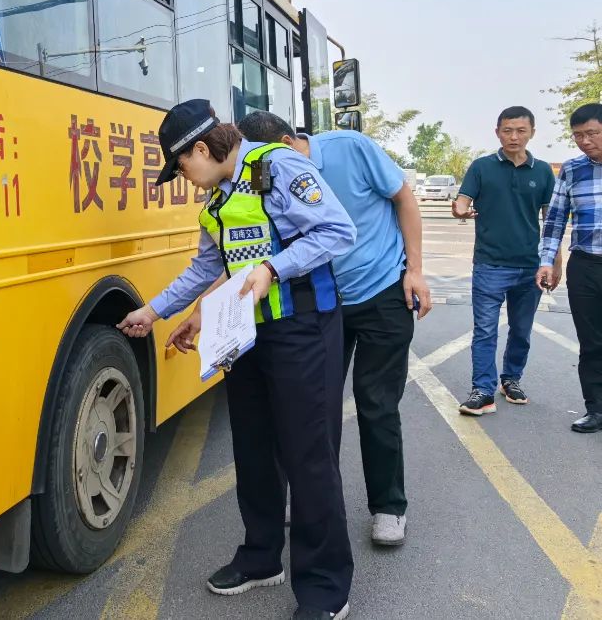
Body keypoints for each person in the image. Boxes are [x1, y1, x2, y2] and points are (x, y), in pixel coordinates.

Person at [117, 99, 356, 620]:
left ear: (201, 149)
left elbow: (338, 231)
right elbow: (207, 269)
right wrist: (154, 312)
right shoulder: (216, 203)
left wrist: (275, 266)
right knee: (252, 450)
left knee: (307, 456)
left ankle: (324, 589)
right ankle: (261, 556)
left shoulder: (280, 166)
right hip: (246, 336)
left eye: (182, 167)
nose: (185, 178)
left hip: (303, 329)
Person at [236, 112, 432, 548]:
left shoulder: (350, 148)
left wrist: (415, 270)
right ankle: (313, 502)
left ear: (289, 142)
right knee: (310, 407)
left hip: (383, 292)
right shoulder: (259, 174)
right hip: (324, 303)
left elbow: (404, 198)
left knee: (376, 401)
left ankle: (388, 506)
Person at [451, 106, 558, 416]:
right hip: (489, 265)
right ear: (497, 132)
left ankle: (511, 379)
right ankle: (482, 390)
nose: (514, 136)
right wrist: (459, 210)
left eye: (520, 130)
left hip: (530, 267)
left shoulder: (542, 172)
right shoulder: (481, 167)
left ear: (532, 133)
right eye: (507, 130)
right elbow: (462, 202)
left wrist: (554, 263)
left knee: (522, 330)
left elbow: (550, 222)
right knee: (484, 330)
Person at [537, 103, 602, 433]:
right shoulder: (572, 170)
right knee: (591, 342)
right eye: (578, 135)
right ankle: (596, 409)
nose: (585, 141)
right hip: (586, 266)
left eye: (591, 133)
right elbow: (556, 219)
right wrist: (547, 261)